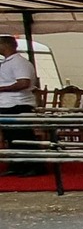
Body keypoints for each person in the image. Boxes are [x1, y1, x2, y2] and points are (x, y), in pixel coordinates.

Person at [0, 35, 40, 174]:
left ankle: (34, 166)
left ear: (5, 45)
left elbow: (24, 82)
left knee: (23, 135)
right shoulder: (6, 62)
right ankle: (17, 165)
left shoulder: (19, 62)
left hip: (18, 103)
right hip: (6, 104)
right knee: (11, 136)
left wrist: (2, 88)